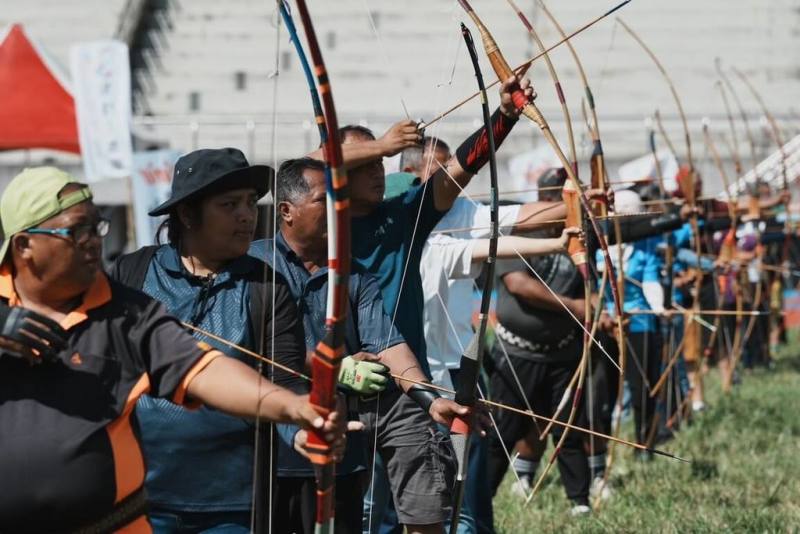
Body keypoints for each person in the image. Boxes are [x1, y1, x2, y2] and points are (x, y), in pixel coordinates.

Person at [0, 167, 347, 533]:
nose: (93, 242)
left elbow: (204, 369)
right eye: (76, 231)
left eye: (96, 227)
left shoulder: (125, 311)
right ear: (24, 245)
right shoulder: (136, 269)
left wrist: (294, 408)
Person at [313, 76, 534, 534]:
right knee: (352, 516)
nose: (381, 170)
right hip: (335, 388)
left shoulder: (402, 216)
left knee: (422, 514)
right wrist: (386, 144)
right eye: (369, 162)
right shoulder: (317, 227)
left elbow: (460, 170)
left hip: (405, 388)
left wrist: (504, 117)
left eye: (383, 162)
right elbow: (308, 165)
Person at [109, 148, 334, 533]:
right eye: (230, 204)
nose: (247, 215)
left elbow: (285, 382)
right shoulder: (133, 271)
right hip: (138, 495)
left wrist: (300, 430)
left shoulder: (266, 285)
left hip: (233, 504)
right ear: (186, 213)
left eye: (250, 202)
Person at [251, 157, 479, 534]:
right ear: (286, 211)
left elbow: (386, 341)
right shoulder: (255, 265)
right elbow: (249, 347)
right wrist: (330, 366)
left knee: (411, 418)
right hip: (281, 435)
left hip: (345, 427)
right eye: (325, 200)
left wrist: (430, 398)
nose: (339, 210)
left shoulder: (353, 273)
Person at [485, 167, 592, 516]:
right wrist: (575, 306)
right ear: (546, 199)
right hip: (517, 354)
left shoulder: (579, 234)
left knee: (568, 429)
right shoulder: (518, 231)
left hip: (563, 351)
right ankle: (477, 501)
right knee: (505, 430)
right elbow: (518, 285)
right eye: (558, 199)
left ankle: (580, 502)